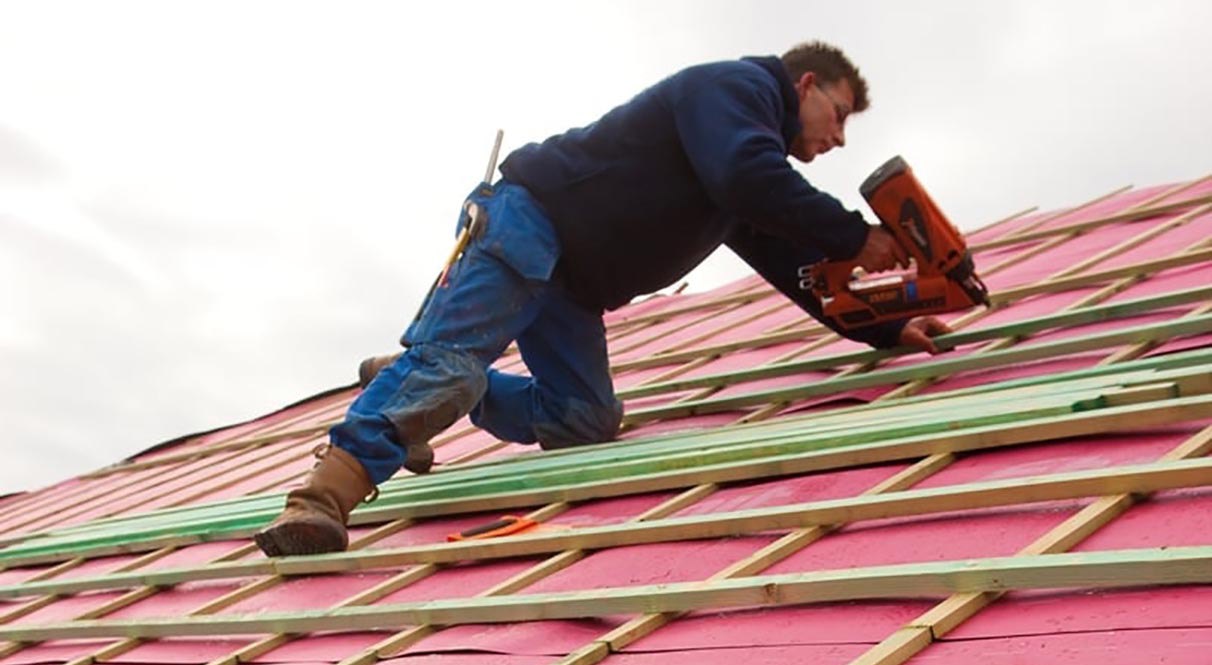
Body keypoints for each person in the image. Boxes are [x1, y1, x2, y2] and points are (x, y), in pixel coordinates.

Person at [254, 40, 952, 557]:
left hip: (575, 284)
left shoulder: (739, 172)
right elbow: (750, 176)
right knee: (448, 367)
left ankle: (399, 384)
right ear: (803, 84)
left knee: (584, 419)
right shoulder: (735, 93)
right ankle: (321, 500)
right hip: (532, 221)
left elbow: (793, 264)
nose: (838, 136)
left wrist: (886, 328)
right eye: (837, 113)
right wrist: (853, 233)